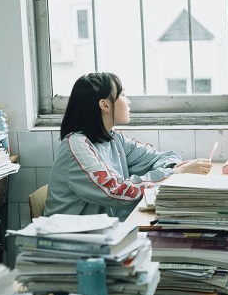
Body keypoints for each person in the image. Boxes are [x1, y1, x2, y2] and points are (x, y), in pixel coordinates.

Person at [45, 72, 212, 220]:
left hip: (103, 233)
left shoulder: (113, 138)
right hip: (73, 239)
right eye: (123, 95)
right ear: (105, 105)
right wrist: (176, 173)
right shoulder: (77, 147)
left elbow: (163, 156)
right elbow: (116, 192)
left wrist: (174, 167)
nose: (128, 101)